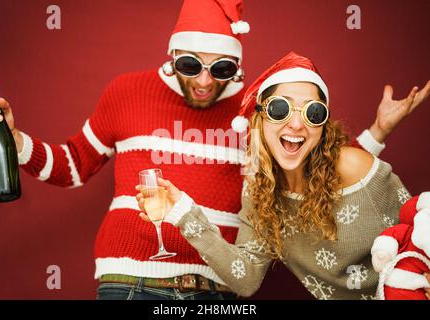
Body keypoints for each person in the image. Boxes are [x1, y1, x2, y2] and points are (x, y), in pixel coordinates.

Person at [0, 1, 428, 300]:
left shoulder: (258, 113)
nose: (204, 80)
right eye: (191, 65)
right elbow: (73, 165)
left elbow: (316, 163)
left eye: (222, 68)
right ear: (172, 56)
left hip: (217, 291)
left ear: (237, 66)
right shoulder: (126, 92)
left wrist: (375, 132)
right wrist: (15, 141)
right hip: (129, 279)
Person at [136, 52, 430, 299]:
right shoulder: (260, 191)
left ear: (322, 126)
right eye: (280, 109)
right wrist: (184, 214)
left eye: (313, 113)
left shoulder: (355, 168)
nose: (297, 124)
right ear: (260, 118)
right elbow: (246, 277)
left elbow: (420, 233)